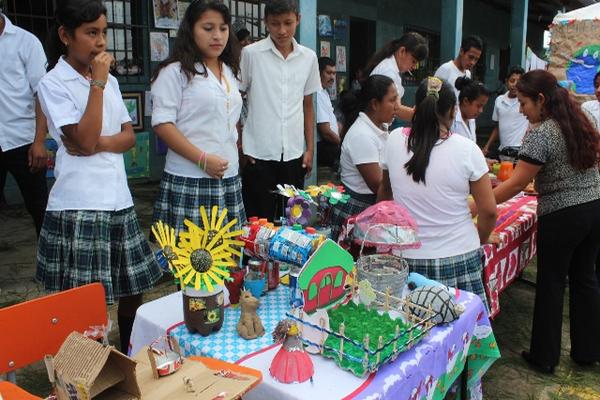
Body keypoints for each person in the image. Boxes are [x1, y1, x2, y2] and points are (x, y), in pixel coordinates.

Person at [36, 0, 162, 353]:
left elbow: (126, 137)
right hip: (80, 202)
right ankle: (87, 366)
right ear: (65, 35)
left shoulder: (111, 82)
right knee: (88, 298)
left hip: (117, 197)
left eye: (103, 32)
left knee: (132, 285)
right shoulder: (53, 83)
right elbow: (84, 137)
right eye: (91, 33)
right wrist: (98, 86)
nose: (100, 42)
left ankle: (127, 354)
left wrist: (95, 143)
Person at [491, 70, 600, 373]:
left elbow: (514, 184)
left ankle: (544, 357)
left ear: (541, 99)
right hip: (594, 208)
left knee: (551, 283)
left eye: (524, 103)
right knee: (585, 279)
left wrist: (479, 203)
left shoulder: (542, 133)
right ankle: (588, 351)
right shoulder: (581, 120)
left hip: (563, 215)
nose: (522, 110)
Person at [378, 76, 496, 309]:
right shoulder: (467, 150)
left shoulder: (393, 141)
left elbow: (384, 195)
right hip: (460, 258)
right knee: (461, 336)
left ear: (416, 108)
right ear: (453, 111)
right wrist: (479, 239)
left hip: (408, 260)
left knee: (414, 336)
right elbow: (489, 211)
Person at [151, 0, 245, 234]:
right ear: (191, 29)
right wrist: (202, 159)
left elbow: (229, 119)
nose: (217, 36)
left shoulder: (230, 71)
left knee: (228, 259)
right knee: (193, 262)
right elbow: (163, 125)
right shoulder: (174, 72)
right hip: (190, 178)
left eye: (223, 28)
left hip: (228, 176)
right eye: (208, 28)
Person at [240, 0, 321, 220]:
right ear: (266, 22)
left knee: (293, 222)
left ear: (298, 20)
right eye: (275, 24)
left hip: (294, 154)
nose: (282, 30)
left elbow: (308, 105)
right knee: (259, 224)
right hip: (257, 154)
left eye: (288, 23)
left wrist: (310, 149)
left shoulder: (308, 58)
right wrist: (240, 144)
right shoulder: (250, 54)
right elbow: (236, 99)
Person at [329, 75, 399, 239]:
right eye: (392, 100)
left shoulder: (380, 128)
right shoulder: (362, 136)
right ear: (375, 104)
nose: (397, 106)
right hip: (358, 212)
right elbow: (379, 185)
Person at [0, 9, 49, 236]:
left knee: (40, 208)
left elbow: (43, 94)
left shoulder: (26, 42)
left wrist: (39, 142)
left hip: (22, 141)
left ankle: (52, 266)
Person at [365, 32, 428, 122]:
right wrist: (422, 117)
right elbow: (396, 108)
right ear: (402, 51)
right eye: (413, 61)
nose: (414, 67)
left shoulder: (391, 67)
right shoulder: (388, 71)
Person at [483, 66, 529, 159]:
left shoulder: (525, 101)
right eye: (512, 81)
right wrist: (487, 146)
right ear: (506, 81)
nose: (515, 85)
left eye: (519, 82)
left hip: (520, 150)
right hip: (503, 149)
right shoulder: (499, 100)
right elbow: (497, 127)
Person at [316, 56, 340, 168]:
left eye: (334, 73)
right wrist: (341, 144)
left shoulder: (324, 92)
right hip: (325, 146)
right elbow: (325, 132)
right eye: (328, 73)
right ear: (319, 72)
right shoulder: (317, 94)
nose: (332, 77)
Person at [452, 76, 490, 143]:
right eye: (478, 106)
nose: (481, 111)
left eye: (483, 107)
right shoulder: (451, 120)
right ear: (466, 101)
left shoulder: (471, 119)